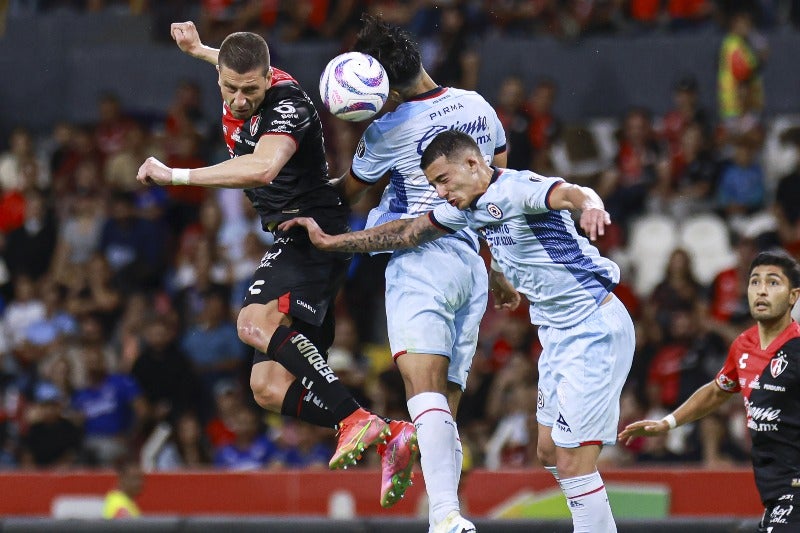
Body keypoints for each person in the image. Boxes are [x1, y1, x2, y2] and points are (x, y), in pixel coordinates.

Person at [282, 130, 635, 533]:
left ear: (472, 164)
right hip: (557, 334)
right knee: (550, 451)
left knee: (574, 461)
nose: (440, 191)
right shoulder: (469, 208)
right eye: (433, 184)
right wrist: (330, 242)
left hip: (592, 328)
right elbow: (407, 232)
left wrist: (591, 206)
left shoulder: (517, 187)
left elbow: (570, 192)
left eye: (444, 179)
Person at [137, 23, 403, 486]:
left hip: (311, 232)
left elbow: (262, 169)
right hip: (294, 238)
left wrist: (175, 175)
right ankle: (385, 433)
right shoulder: (237, 75)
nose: (239, 100)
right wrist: (199, 49)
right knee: (266, 388)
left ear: (268, 79)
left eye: (250, 89)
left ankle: (356, 421)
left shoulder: (288, 104)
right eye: (230, 89)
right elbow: (230, 63)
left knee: (251, 324)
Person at [336, 14, 510, 528]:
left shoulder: (390, 126)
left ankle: (444, 518)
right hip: (473, 268)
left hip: (423, 260)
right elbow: (496, 186)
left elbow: (346, 193)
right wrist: (498, 267)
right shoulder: (478, 105)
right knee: (444, 407)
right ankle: (449, 513)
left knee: (423, 392)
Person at [619, 250, 800, 532]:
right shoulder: (743, 345)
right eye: (755, 282)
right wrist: (667, 423)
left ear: (793, 296)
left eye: (773, 282)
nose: (762, 290)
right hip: (773, 491)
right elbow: (718, 391)